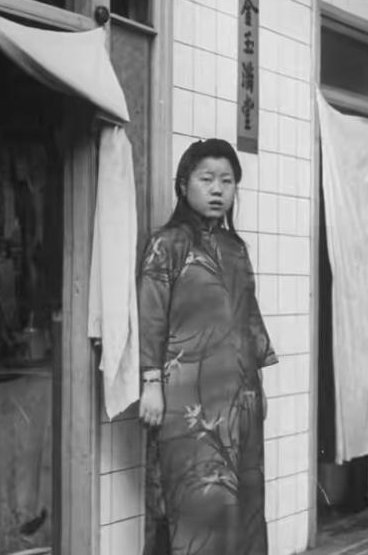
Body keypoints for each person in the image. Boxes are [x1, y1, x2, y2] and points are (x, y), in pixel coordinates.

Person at [139, 139, 277, 555]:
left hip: (240, 398)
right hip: (187, 401)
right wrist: (150, 382)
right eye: (207, 179)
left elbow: (248, 318)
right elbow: (150, 315)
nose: (218, 189)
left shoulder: (237, 249)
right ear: (184, 186)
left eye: (227, 181)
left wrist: (258, 388)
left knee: (243, 502)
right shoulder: (167, 244)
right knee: (195, 503)